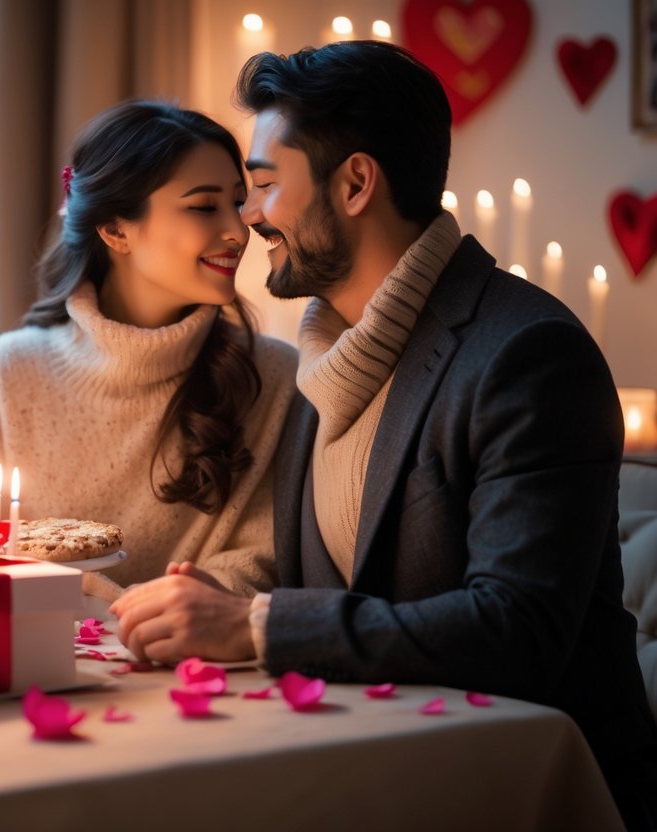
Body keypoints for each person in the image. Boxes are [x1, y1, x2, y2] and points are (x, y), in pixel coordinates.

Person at [110, 41, 657, 827]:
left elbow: (516, 630)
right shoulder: (320, 354)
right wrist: (222, 599)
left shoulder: (527, 354)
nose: (249, 216)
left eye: (264, 185)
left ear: (356, 182)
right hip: (371, 773)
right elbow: (348, 595)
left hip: (523, 793)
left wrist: (255, 626)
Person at [0, 100, 297, 604]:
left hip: (197, 660)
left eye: (237, 203)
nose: (238, 231)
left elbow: (263, 558)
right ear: (115, 229)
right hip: (29, 661)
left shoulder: (275, 375)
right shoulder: (6, 374)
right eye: (203, 206)